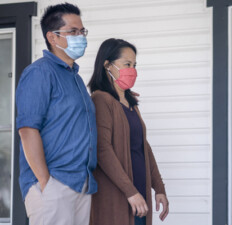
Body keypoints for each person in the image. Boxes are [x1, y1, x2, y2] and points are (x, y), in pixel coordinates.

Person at [16, 3, 97, 225]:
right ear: (52, 37)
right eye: (73, 31)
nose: (80, 36)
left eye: (82, 31)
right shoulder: (40, 73)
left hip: (81, 184)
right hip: (54, 184)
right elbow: (27, 130)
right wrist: (46, 182)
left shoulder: (76, 78)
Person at [88, 38, 169, 225]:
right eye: (127, 64)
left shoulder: (130, 103)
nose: (132, 70)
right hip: (119, 197)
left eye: (134, 65)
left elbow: (144, 148)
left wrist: (159, 188)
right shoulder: (101, 99)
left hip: (139, 195)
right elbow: (102, 149)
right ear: (107, 65)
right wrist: (130, 191)